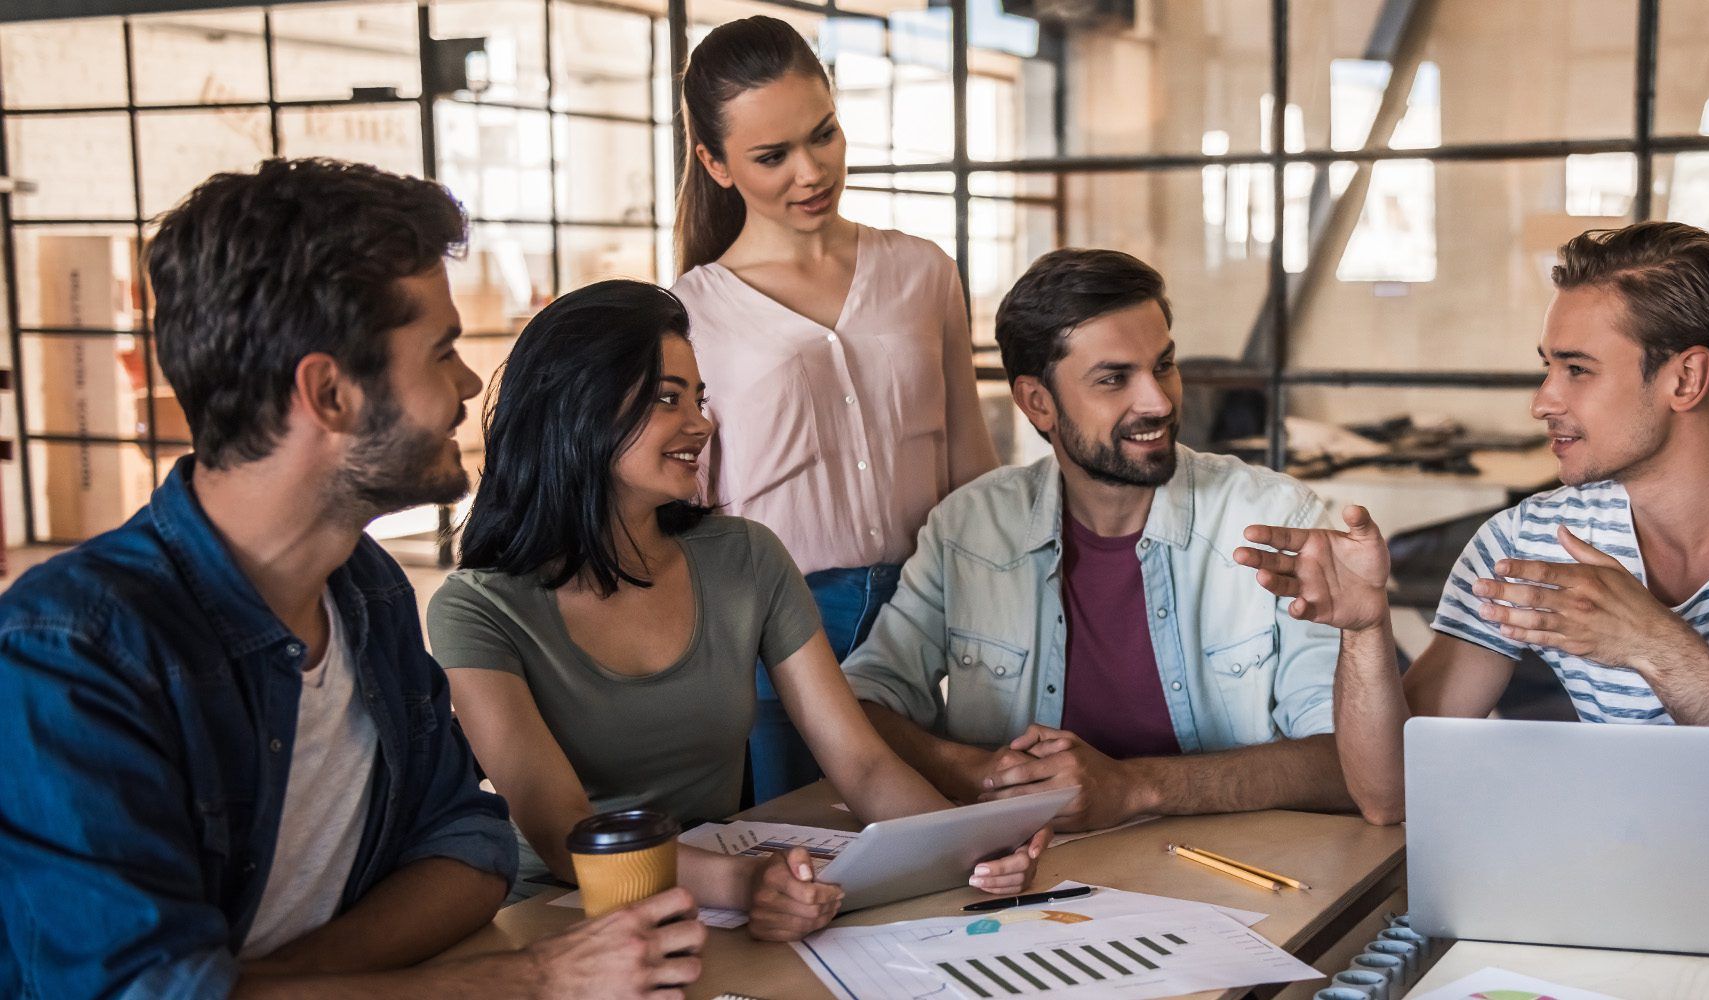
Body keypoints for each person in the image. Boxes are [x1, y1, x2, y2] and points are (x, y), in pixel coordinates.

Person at [0, 158, 705, 998]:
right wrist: (535, 979)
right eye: (442, 351)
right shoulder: (71, 650)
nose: (469, 385)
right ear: (329, 393)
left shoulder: (362, 587)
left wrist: (254, 984)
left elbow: (468, 845)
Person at [1237, 221, 1709, 881]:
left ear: (1685, 380)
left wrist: (1660, 647)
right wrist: (1365, 630)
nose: (1543, 400)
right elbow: (1391, 794)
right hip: (1649, 888)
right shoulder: (1528, 537)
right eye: (1548, 367)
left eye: (1577, 369)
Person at [429, 279, 1045, 941]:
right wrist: (746, 884)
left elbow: (860, 763)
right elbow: (563, 835)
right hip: (559, 921)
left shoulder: (744, 559)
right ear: (579, 408)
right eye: (668, 399)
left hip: (715, 910)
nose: (702, 423)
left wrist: (965, 849)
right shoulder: (476, 610)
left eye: (698, 398)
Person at [843, 248, 1355, 834]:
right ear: (1038, 403)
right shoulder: (968, 529)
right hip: (1034, 877)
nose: (1158, 402)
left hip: (1235, 869)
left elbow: (1344, 762)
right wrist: (984, 775)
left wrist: (1135, 788)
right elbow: (862, 706)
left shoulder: (1273, 519)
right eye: (1114, 379)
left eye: (1163, 366)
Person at [670, 15, 999, 803]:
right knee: (807, 852)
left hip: (928, 607)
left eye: (824, 135)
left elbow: (970, 462)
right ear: (715, 164)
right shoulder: (689, 313)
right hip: (775, 627)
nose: (811, 171)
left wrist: (999, 600)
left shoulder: (923, 271)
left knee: (943, 838)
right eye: (772, 156)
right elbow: (686, 506)